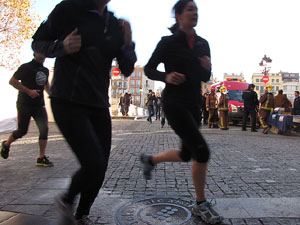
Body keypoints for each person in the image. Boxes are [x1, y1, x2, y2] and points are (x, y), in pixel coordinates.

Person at [31, 0, 136, 224]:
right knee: (93, 162)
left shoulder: (113, 24)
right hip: (67, 99)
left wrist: (128, 43)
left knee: (100, 167)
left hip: (98, 103)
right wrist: (62, 46)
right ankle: (67, 199)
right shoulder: (68, 9)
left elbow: (126, 69)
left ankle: (82, 215)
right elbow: (37, 43)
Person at [140, 0, 223, 224]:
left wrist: (207, 68)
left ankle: (151, 160)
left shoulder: (203, 44)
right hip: (174, 103)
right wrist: (165, 77)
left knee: (187, 154)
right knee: (202, 152)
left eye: (196, 10)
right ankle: (200, 204)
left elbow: (206, 77)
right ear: (178, 15)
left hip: (194, 103)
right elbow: (149, 68)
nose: (195, 13)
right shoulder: (167, 43)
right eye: (190, 9)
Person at [1, 53, 53, 167]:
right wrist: (29, 91)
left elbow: (46, 85)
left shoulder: (45, 70)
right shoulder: (26, 67)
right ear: (34, 53)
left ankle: (41, 157)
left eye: (43, 53)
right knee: (22, 131)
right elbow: (12, 81)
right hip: (24, 104)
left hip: (39, 105)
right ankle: (6, 144)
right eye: (40, 52)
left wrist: (53, 95)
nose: (42, 55)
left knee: (44, 129)